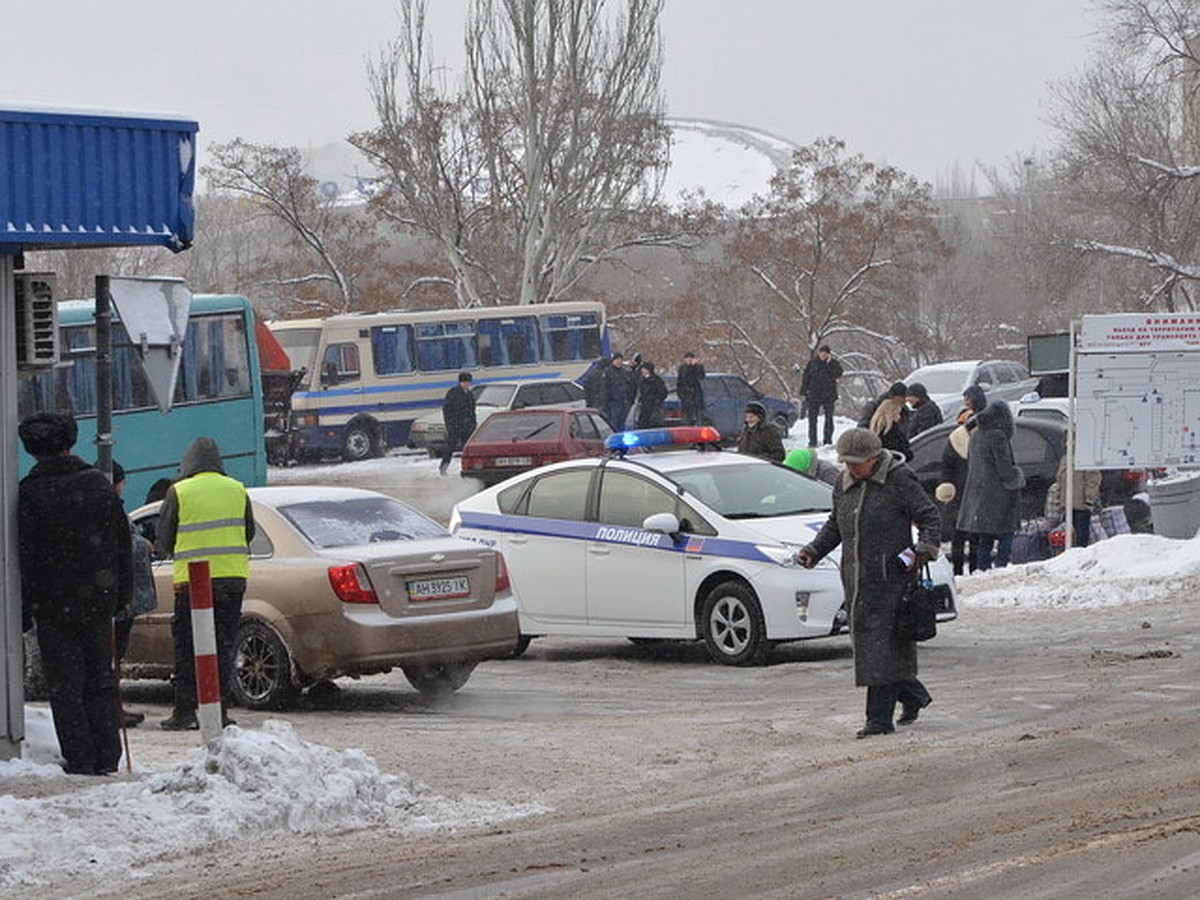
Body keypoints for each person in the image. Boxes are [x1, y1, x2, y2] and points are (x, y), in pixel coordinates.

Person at [795, 428, 941, 738]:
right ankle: (913, 695)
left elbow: (929, 517)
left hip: (892, 580)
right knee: (876, 648)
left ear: (874, 459)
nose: (850, 469)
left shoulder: (900, 480)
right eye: (846, 463)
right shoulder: (842, 484)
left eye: (856, 463)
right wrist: (813, 551)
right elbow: (836, 524)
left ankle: (878, 720)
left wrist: (923, 550)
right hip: (856, 580)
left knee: (879, 649)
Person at [18, 413, 132, 774]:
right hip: (98, 602)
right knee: (101, 678)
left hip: (52, 607)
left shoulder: (30, 493)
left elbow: (26, 556)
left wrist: (24, 609)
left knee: (65, 686)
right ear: (70, 443)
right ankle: (108, 754)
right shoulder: (98, 485)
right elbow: (122, 544)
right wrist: (121, 596)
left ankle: (81, 757)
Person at [157, 437, 255, 731]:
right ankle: (220, 710)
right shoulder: (237, 489)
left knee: (188, 647)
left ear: (188, 463)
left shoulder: (179, 491)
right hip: (232, 580)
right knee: (223, 646)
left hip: (193, 583)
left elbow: (165, 539)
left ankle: (185, 711)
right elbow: (248, 531)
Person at [109, 461, 158, 728]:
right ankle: (112, 708)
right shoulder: (111, 508)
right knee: (113, 655)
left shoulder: (105, 505)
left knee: (112, 656)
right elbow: (123, 544)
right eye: (122, 482)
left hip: (111, 595)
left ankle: (113, 707)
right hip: (118, 598)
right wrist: (143, 544)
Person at [956, 385, 1025, 570]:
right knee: (1006, 531)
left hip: (981, 492)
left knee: (985, 534)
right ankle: (1001, 566)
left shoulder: (977, 435)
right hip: (999, 493)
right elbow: (1004, 468)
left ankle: (982, 567)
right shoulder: (998, 437)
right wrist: (1016, 478)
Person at [934, 411, 978, 576]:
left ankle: (975, 568)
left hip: (975, 492)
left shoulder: (981, 441)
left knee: (975, 534)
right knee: (958, 533)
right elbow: (946, 467)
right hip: (958, 492)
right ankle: (957, 569)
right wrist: (946, 485)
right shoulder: (956, 441)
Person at [1049, 445, 1103, 548]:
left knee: (1081, 534)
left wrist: (1089, 498)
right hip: (1067, 504)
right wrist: (1059, 498)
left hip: (1081, 504)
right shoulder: (1065, 458)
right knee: (1069, 532)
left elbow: (1093, 480)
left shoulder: (1085, 459)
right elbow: (1060, 480)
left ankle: (1080, 552)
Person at [799, 344, 843, 447]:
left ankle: (827, 441)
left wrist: (829, 364)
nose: (823, 355)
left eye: (825, 354)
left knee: (829, 419)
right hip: (814, 395)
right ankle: (812, 441)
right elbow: (806, 377)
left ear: (828, 354)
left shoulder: (833, 363)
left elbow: (838, 374)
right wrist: (804, 391)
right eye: (821, 353)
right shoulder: (812, 363)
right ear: (818, 353)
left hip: (829, 395)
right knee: (812, 420)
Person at [858, 381, 913, 461]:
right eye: (903, 398)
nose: (905, 401)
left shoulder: (904, 410)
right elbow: (863, 428)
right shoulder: (874, 407)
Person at [439, 371, 477, 476]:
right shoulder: (453, 393)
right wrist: (450, 424)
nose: (467, 384)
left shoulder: (469, 394)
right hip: (455, 426)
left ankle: (468, 467)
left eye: (468, 382)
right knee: (450, 447)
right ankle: (444, 467)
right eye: (465, 382)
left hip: (467, 426)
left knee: (467, 448)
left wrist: (473, 423)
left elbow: (472, 410)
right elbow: (447, 410)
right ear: (460, 382)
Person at [603, 353, 636, 429]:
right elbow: (605, 389)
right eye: (617, 359)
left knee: (623, 423)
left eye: (620, 359)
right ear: (613, 361)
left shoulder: (624, 372)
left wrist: (630, 398)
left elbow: (629, 386)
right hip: (613, 403)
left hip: (624, 402)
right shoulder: (608, 372)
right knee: (613, 424)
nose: (619, 361)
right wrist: (607, 402)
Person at [676, 351, 707, 426]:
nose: (689, 360)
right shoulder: (682, 369)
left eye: (691, 358)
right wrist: (680, 394)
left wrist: (696, 366)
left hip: (696, 396)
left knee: (698, 415)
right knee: (687, 416)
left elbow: (701, 376)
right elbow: (680, 381)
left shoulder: (697, 367)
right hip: (686, 396)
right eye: (687, 358)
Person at [634, 361, 668, 428]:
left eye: (644, 369)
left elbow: (663, 392)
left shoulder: (657, 380)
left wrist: (657, 400)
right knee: (643, 424)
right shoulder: (641, 380)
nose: (642, 371)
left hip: (654, 407)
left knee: (654, 424)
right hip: (644, 406)